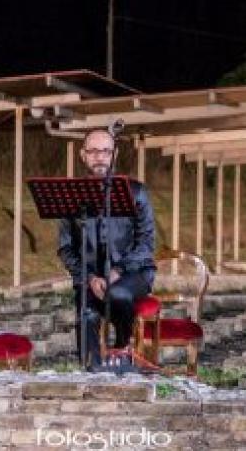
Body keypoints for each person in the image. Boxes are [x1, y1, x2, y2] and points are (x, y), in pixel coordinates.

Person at [57, 129, 156, 367]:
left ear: (115, 154)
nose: (99, 157)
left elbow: (146, 242)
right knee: (87, 314)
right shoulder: (70, 196)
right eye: (93, 151)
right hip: (90, 276)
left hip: (133, 273)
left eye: (105, 151)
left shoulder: (137, 192)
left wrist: (118, 271)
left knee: (118, 293)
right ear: (83, 155)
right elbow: (66, 248)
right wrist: (89, 277)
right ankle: (92, 372)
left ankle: (123, 346)